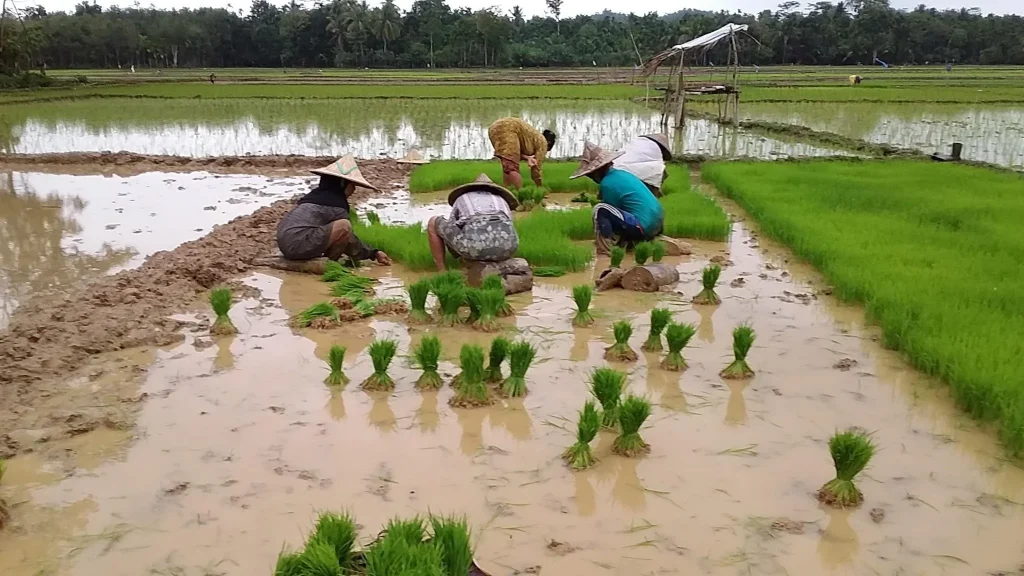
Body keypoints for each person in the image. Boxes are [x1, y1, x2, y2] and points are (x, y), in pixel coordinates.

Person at [277, 155, 391, 266]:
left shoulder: (316, 196)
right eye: (352, 185)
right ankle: (330, 265)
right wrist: (373, 253)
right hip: (297, 245)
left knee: (340, 228)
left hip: (285, 243)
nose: (354, 189)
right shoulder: (336, 205)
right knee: (344, 226)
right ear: (342, 183)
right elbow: (349, 237)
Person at [570, 142, 664, 255]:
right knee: (615, 211)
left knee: (600, 209)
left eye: (590, 175)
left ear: (597, 171)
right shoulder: (623, 174)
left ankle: (605, 250)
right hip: (657, 224)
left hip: (642, 226)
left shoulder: (607, 183)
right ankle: (629, 243)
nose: (592, 178)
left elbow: (612, 212)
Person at [426, 174, 520, 271]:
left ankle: (442, 270)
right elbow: (509, 225)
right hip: (509, 247)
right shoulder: (501, 200)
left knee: (433, 222)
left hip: (473, 247)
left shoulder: (463, 197)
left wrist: (457, 252)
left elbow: (453, 225)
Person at [487, 117, 556, 189]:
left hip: (494, 128)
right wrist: (540, 186)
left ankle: (509, 192)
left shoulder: (534, 137)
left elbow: (516, 153)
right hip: (509, 128)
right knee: (512, 168)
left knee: (507, 165)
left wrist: (528, 158)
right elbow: (536, 168)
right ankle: (518, 194)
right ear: (549, 143)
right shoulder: (543, 142)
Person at [612, 133, 672, 197]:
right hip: (632, 173)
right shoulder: (653, 148)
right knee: (658, 171)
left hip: (615, 170)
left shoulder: (636, 142)